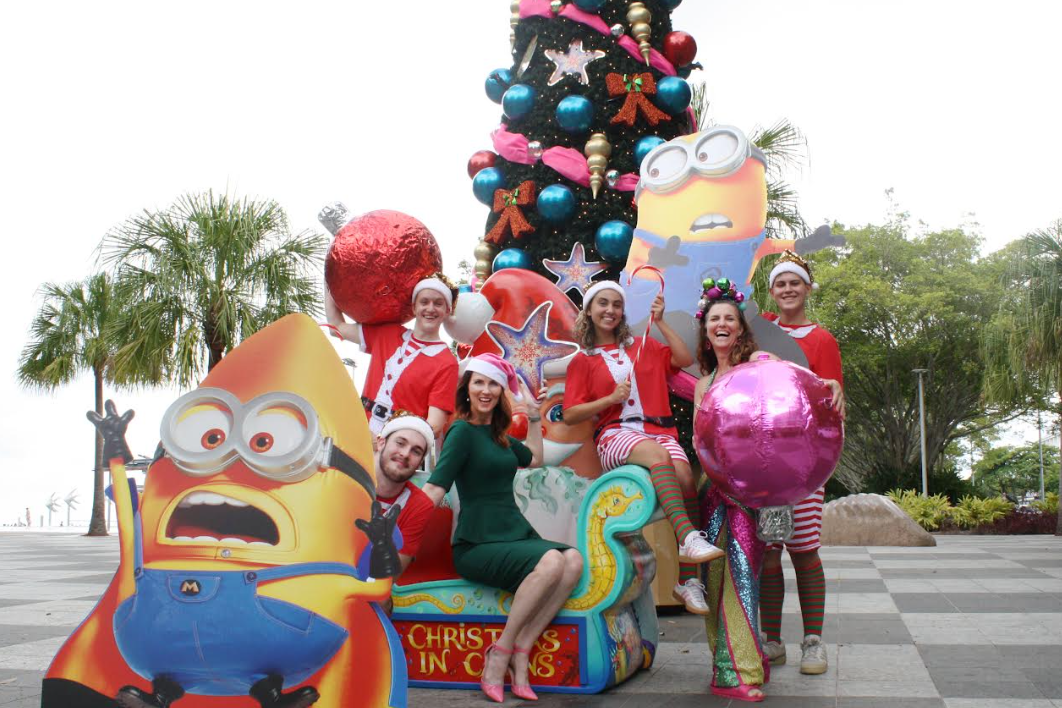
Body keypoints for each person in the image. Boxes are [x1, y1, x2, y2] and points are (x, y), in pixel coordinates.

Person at [420, 354, 583, 703]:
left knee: (573, 561)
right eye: (478, 382)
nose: (485, 389)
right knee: (554, 561)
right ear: (467, 389)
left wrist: (537, 419)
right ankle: (501, 653)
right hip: (477, 543)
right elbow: (436, 487)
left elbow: (535, 459)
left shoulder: (500, 437)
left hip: (512, 535)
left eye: (493, 383)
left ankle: (522, 650)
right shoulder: (461, 432)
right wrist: (396, 524)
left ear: (500, 390)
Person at [562, 281, 723, 616]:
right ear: (589, 311)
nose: (610, 310)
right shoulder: (583, 361)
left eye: (616, 305)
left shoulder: (644, 345)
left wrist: (661, 321)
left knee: (684, 477)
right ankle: (688, 538)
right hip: (615, 434)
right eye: (602, 304)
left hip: (659, 430)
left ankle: (688, 581)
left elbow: (683, 358)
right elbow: (571, 412)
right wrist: (609, 399)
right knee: (657, 456)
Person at [758, 250, 844, 675]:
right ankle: (771, 641)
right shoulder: (762, 331)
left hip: (805, 466)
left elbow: (832, 399)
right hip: (766, 467)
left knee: (804, 551)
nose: (788, 289)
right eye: (780, 283)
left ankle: (813, 641)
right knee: (770, 552)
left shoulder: (821, 339)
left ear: (807, 289)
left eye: (795, 282)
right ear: (772, 292)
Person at [693, 282, 775, 702]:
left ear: (740, 328)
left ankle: (742, 672)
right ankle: (726, 664)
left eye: (729, 318)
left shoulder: (757, 364)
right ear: (706, 331)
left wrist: (827, 385)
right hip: (711, 489)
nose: (722, 324)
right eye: (714, 319)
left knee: (743, 575)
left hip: (746, 490)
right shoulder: (703, 384)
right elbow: (698, 441)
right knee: (713, 577)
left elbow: (786, 386)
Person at [325, 275, 459, 441]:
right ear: (414, 307)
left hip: (394, 452)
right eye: (424, 302)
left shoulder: (447, 362)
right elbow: (336, 328)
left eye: (438, 303)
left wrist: (392, 444)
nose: (430, 309)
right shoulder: (387, 333)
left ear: (447, 310)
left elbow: (434, 425)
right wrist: (329, 279)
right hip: (356, 435)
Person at [373, 414, 436, 583]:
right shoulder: (346, 478)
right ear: (381, 443)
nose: (405, 454)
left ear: (420, 462)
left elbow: (388, 576)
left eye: (416, 451)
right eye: (400, 443)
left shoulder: (420, 505)